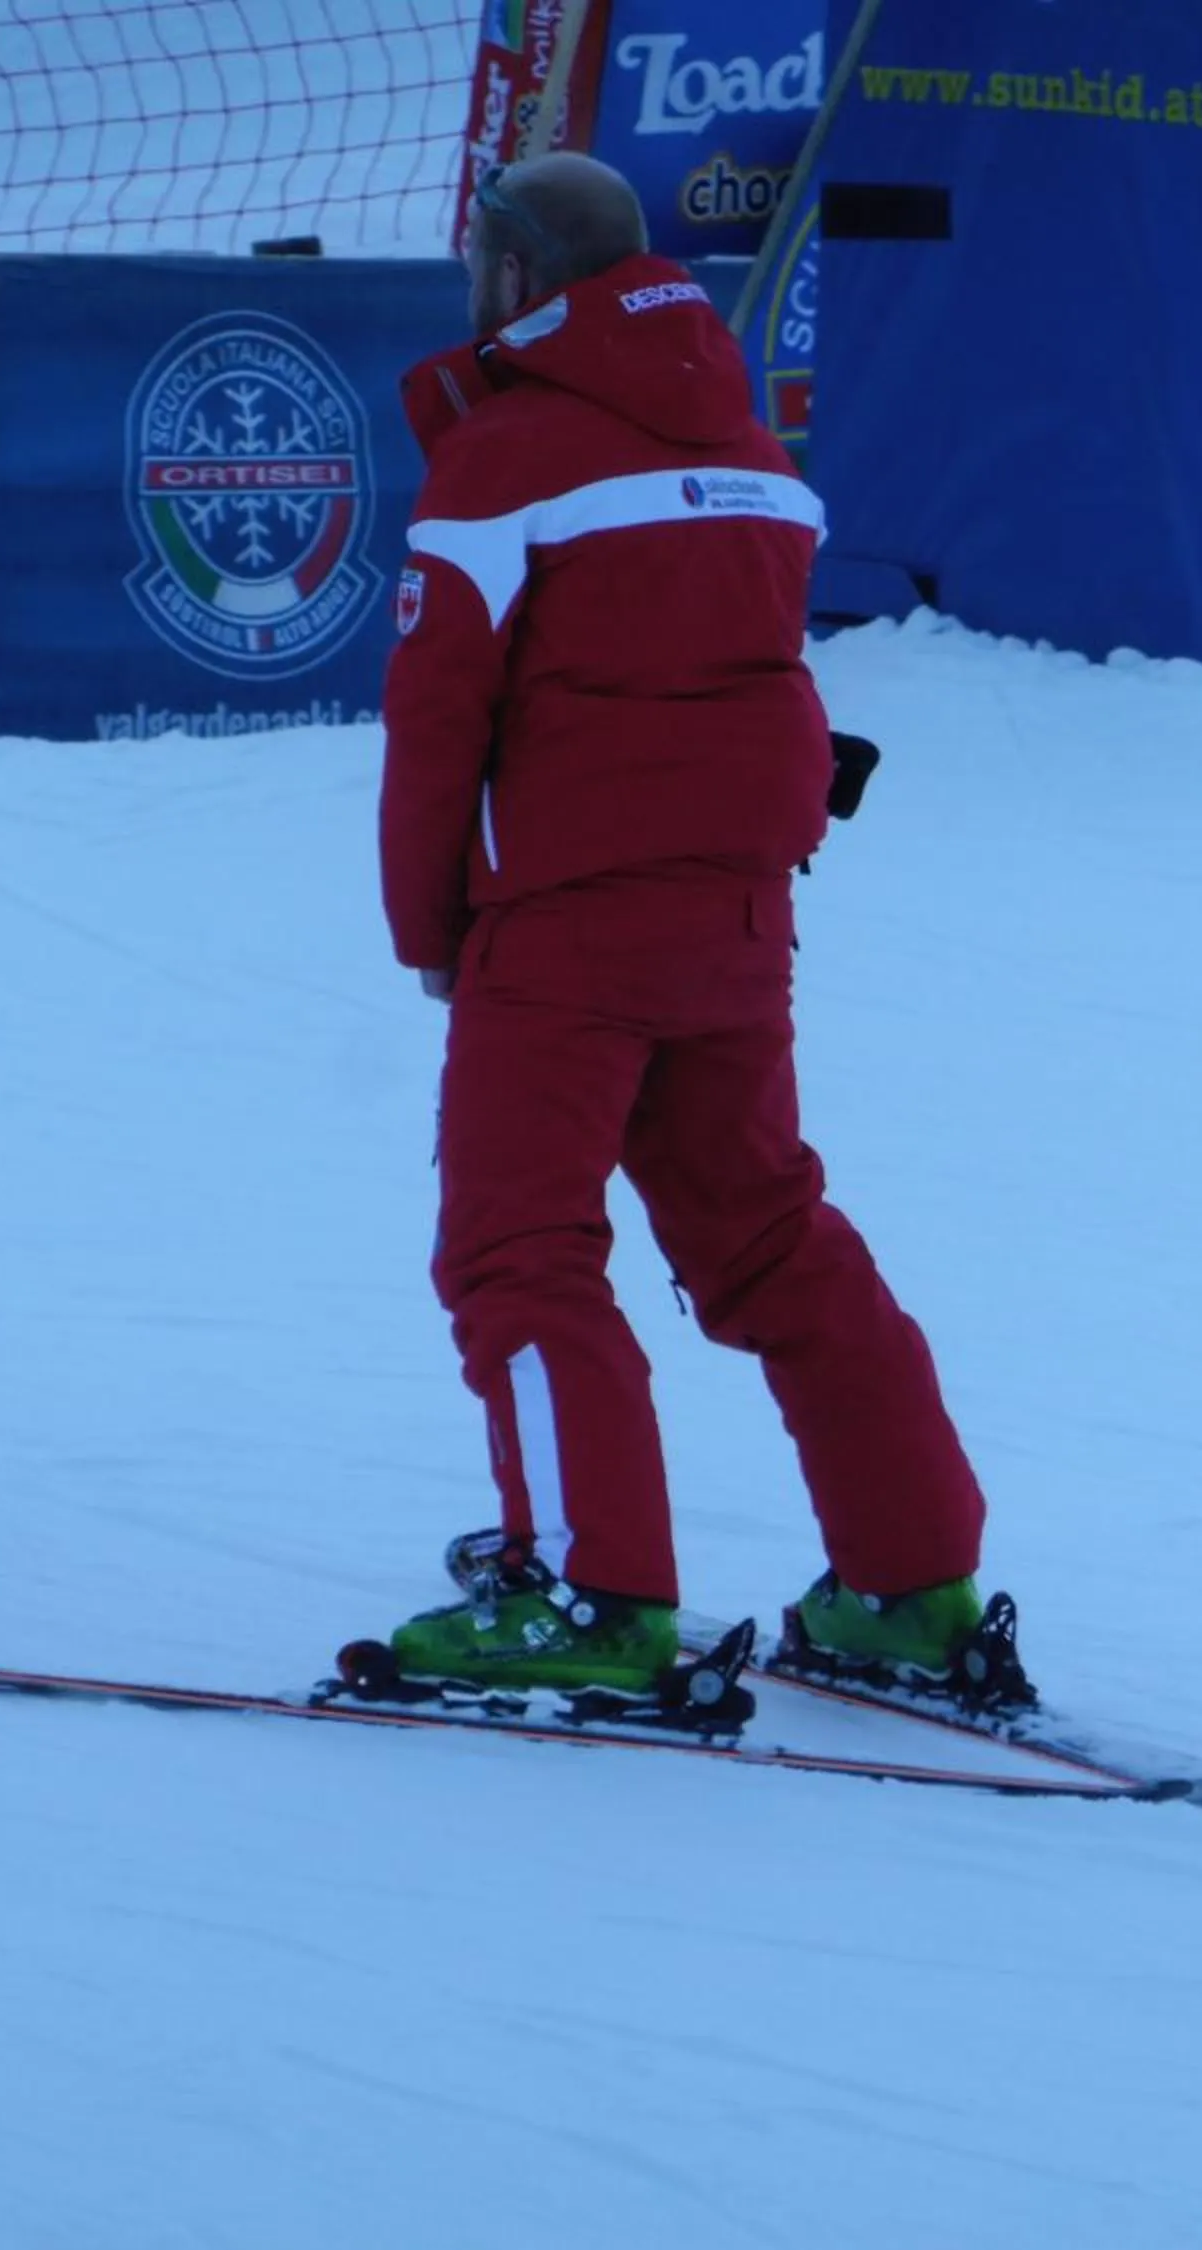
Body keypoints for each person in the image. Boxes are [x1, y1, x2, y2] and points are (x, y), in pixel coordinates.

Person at [375, 153, 992, 1695]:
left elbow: (439, 712)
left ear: (518, 278)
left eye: (480, 262)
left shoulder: (506, 457)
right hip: (734, 916)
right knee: (770, 1232)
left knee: (519, 1246)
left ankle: (595, 1600)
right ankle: (909, 1583)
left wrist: (428, 921)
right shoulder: (750, 444)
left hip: (568, 924)